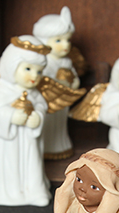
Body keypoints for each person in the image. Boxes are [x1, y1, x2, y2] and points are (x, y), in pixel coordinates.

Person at [0, 36, 51, 206]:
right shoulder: (0, 89)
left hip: (29, 141)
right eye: (28, 69)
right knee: (9, 166)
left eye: (38, 71)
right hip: (7, 143)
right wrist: (10, 116)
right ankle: (5, 192)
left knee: (32, 164)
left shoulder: (35, 92)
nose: (34, 76)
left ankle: (35, 191)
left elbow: (42, 107)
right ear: (12, 65)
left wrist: (37, 117)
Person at [32, 6, 82, 159]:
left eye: (67, 40)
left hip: (63, 105)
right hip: (48, 104)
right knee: (49, 125)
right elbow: (41, 84)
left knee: (60, 127)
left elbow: (75, 81)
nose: (65, 45)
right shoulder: (43, 62)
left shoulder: (66, 62)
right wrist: (58, 82)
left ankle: (61, 145)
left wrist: (72, 82)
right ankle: (47, 147)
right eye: (59, 40)